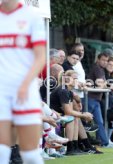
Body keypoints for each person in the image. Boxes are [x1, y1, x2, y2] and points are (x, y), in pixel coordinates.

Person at [0, 1, 46, 163]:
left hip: (25, 90)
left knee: (30, 155)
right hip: (1, 90)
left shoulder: (31, 16)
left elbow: (41, 57)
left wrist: (25, 84)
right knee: (1, 153)